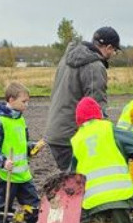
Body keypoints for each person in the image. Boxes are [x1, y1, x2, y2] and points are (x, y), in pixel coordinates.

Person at [70, 96, 133, 223]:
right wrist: (123, 153)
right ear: (99, 115)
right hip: (119, 195)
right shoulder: (110, 129)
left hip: (94, 201)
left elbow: (73, 174)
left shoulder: (76, 140)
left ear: (79, 121)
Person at [45, 26, 119, 173]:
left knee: (71, 180)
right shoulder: (95, 66)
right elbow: (96, 106)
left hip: (55, 132)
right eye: (114, 50)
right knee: (82, 182)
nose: (113, 54)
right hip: (72, 135)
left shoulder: (66, 58)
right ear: (108, 47)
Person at [0, 82, 40, 223]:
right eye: (24, 101)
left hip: (23, 174)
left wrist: (31, 148)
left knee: (33, 205)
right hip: (6, 174)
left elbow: (21, 144)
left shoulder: (21, 120)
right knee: (5, 208)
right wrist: (2, 161)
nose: (26, 105)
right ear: (11, 99)